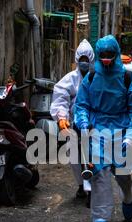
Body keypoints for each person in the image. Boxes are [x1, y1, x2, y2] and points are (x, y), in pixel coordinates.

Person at [74, 35, 132, 222]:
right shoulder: (90, 78)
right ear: (98, 55)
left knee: (122, 173)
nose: (106, 58)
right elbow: (82, 104)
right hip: (98, 128)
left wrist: (131, 134)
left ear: (115, 54)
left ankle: (128, 195)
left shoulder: (127, 78)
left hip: (121, 128)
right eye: (102, 55)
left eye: (110, 54)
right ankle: (100, 216)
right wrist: (82, 123)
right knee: (99, 173)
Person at [50, 39, 95, 200]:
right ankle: (81, 185)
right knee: (73, 153)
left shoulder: (97, 77)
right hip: (73, 123)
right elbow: (60, 98)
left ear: (91, 59)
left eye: (86, 59)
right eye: (81, 59)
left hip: (94, 122)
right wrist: (61, 117)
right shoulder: (69, 79)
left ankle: (98, 182)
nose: (84, 62)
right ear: (77, 59)